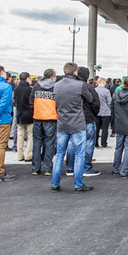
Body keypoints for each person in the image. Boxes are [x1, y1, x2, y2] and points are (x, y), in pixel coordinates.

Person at [51, 62, 95, 193]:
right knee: (79, 155)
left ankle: (55, 184)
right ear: (75, 72)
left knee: (59, 155)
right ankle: (78, 185)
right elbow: (90, 99)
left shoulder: (56, 85)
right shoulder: (80, 85)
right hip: (77, 123)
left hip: (62, 123)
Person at [65, 67, 100, 177]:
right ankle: (86, 168)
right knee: (88, 143)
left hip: (72, 119)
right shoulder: (88, 87)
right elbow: (96, 103)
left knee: (71, 143)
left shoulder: (70, 87)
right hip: (87, 119)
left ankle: (70, 168)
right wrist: (93, 114)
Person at [29, 68, 57, 176]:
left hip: (37, 117)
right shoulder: (55, 86)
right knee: (50, 143)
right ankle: (48, 168)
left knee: (37, 143)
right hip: (51, 117)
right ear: (53, 76)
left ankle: (35, 168)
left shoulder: (36, 86)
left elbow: (31, 100)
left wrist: (36, 110)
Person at [14, 72, 34, 162]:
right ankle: (28, 155)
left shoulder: (16, 89)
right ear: (27, 79)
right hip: (29, 115)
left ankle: (20, 155)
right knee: (30, 135)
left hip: (19, 115)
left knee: (20, 136)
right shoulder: (30, 90)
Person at [95, 77, 112, 148]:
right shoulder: (106, 91)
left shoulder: (94, 90)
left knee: (96, 128)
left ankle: (95, 143)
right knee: (105, 129)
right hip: (105, 112)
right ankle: (103, 143)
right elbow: (109, 102)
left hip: (96, 111)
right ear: (103, 82)